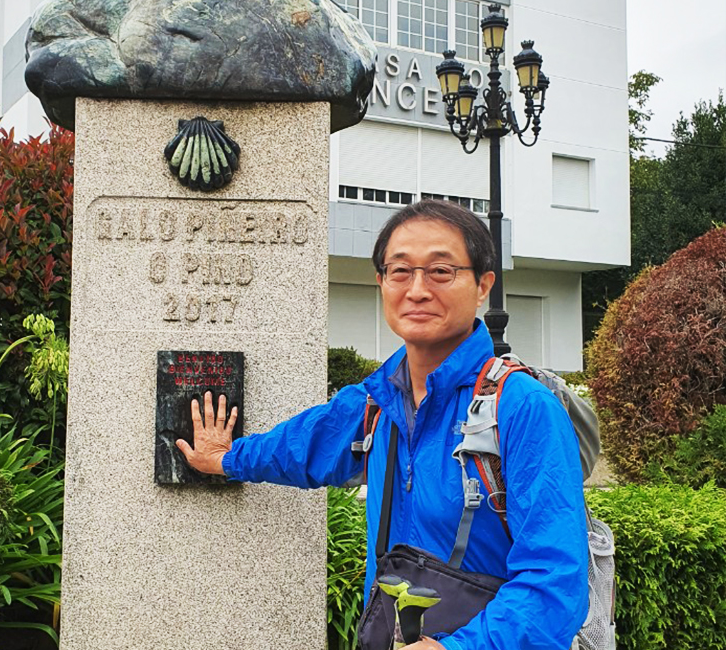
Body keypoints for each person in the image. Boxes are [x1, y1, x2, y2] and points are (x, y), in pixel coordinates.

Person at [177, 199, 589, 650]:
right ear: (382, 282)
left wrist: (459, 648)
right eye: (400, 271)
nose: (417, 289)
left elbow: (554, 580)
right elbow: (303, 446)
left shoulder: (523, 408)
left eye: (441, 271)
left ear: (482, 286)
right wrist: (225, 459)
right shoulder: (378, 401)